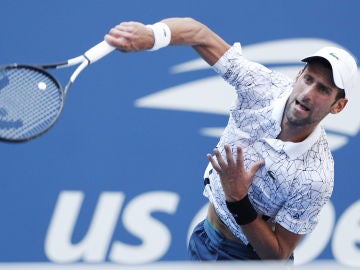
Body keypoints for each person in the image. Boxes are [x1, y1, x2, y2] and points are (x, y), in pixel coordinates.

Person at [104, 18, 358, 261]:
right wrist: (152, 35)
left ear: (338, 106)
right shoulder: (261, 87)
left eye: (323, 90)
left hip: (246, 260)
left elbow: (277, 255)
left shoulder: (316, 176)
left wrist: (238, 200)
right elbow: (198, 33)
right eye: (308, 79)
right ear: (298, 75)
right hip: (205, 237)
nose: (308, 93)